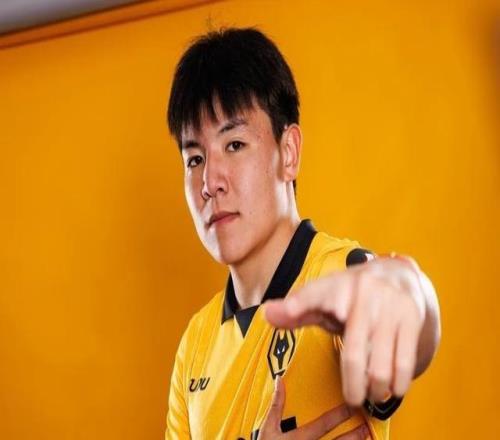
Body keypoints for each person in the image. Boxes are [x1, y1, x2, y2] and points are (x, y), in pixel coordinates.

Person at [164, 27, 441, 440]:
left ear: (288, 152)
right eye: (195, 159)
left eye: (234, 144)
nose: (210, 182)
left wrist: (412, 299)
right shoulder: (195, 343)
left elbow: (399, 316)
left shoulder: (342, 275)